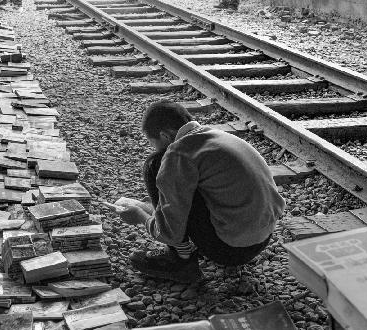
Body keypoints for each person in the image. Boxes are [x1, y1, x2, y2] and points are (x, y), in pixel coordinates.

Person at [115, 101, 285, 282]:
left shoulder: (179, 153)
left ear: (164, 135)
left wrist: (139, 215)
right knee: (178, 185)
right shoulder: (215, 136)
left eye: (152, 142)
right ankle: (194, 248)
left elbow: (169, 233)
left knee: (154, 164)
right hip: (262, 238)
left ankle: (180, 261)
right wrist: (153, 207)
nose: (154, 147)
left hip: (231, 250)